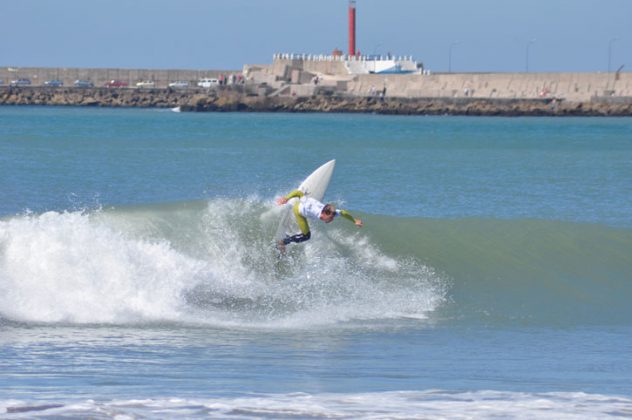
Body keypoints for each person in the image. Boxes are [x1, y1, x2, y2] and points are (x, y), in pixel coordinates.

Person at [276, 190, 363, 251]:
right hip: (299, 211)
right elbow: (298, 193)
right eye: (330, 218)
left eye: (332, 218)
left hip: (308, 204)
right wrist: (286, 198)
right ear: (324, 213)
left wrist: (354, 220)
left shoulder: (331, 212)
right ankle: (283, 242)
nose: (332, 219)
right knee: (306, 236)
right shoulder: (312, 209)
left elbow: (343, 213)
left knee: (306, 234)